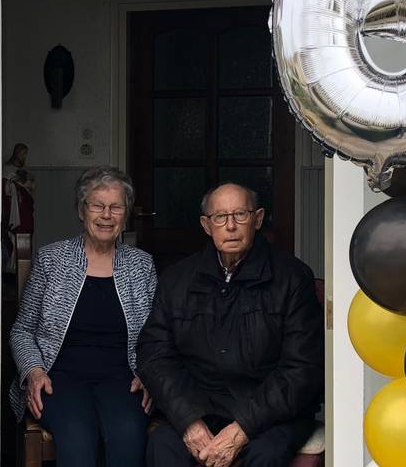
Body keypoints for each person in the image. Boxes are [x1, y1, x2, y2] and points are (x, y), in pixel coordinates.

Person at [137, 183, 324, 467]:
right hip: (199, 408)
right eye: (220, 217)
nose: (231, 226)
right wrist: (189, 421)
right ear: (206, 225)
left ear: (258, 219)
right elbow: (155, 355)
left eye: (240, 215)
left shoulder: (292, 277)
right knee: (163, 445)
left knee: (265, 454)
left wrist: (243, 429)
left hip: (269, 415)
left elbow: (302, 368)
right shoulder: (178, 279)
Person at [9, 166, 157, 466]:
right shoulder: (51, 259)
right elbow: (22, 330)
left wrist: (150, 374)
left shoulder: (142, 265)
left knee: (128, 437)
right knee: (78, 441)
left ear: (125, 213)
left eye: (116, 207)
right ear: (81, 210)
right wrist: (35, 372)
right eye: (97, 206)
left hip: (123, 378)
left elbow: (158, 335)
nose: (106, 215)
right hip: (59, 376)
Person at [2, 143, 36, 276]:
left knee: (25, 244)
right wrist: (14, 183)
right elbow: (5, 189)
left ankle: (24, 275)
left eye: (26, 154)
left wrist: (25, 184)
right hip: (14, 212)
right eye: (22, 153)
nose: (24, 157)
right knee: (13, 239)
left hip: (25, 210)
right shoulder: (7, 169)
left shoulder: (26, 170)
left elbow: (32, 186)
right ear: (16, 153)